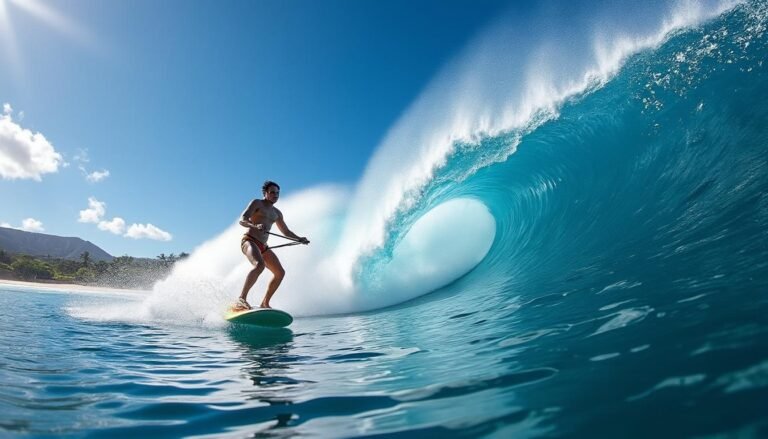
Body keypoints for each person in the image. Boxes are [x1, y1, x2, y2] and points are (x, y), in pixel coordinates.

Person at [233, 180, 309, 311]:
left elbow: (286, 232)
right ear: (265, 193)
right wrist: (254, 225)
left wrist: (299, 239)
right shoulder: (257, 203)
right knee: (259, 265)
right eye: (272, 192)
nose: (275, 195)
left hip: (263, 246)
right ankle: (241, 300)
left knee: (280, 272)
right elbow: (242, 219)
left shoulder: (277, 213)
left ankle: (265, 303)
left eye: (277, 193)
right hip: (249, 240)